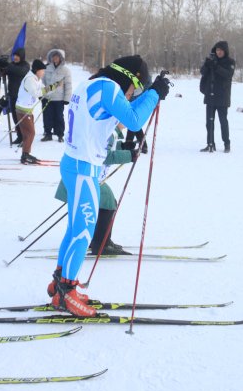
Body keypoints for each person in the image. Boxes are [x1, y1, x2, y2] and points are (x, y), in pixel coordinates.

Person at [47, 55, 169, 316]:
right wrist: (154, 94)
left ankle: (60, 283)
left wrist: (150, 95)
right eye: (135, 88)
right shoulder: (109, 88)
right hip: (83, 170)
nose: (131, 93)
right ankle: (66, 291)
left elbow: (123, 117)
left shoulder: (93, 84)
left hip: (74, 165)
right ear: (130, 78)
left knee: (74, 229)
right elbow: (134, 121)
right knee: (83, 231)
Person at [54, 127, 135, 256]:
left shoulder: (110, 130)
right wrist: (130, 155)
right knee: (108, 203)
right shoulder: (109, 131)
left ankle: (99, 239)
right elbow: (105, 156)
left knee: (108, 202)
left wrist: (123, 146)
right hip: (87, 177)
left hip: (87, 175)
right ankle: (101, 244)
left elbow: (107, 147)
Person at [199, 41, 235, 153]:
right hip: (210, 95)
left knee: (223, 121)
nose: (219, 52)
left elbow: (228, 75)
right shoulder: (211, 60)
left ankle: (226, 144)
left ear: (225, 51)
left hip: (222, 97)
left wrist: (216, 66)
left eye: (221, 50)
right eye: (217, 50)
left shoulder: (230, 62)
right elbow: (203, 72)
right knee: (209, 122)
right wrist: (207, 64)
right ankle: (210, 143)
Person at [16, 59, 47, 164]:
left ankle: (25, 154)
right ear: (37, 70)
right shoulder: (29, 79)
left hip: (28, 109)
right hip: (22, 109)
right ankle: (25, 155)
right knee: (31, 133)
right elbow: (35, 93)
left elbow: (42, 89)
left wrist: (51, 89)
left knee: (27, 133)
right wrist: (49, 89)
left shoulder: (37, 79)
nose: (43, 72)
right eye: (42, 70)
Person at [42, 49, 72, 142]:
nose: (55, 58)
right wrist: (41, 93)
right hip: (47, 97)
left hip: (59, 98)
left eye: (57, 56)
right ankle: (48, 134)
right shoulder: (46, 68)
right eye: (53, 56)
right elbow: (42, 82)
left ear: (61, 58)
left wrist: (67, 98)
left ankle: (60, 135)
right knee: (47, 116)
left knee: (59, 117)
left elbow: (68, 85)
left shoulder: (65, 70)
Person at [6, 48, 29, 145]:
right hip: (12, 95)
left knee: (22, 118)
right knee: (15, 117)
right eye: (14, 55)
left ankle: (25, 137)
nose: (15, 57)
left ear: (21, 56)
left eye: (17, 56)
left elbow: (21, 72)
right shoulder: (12, 65)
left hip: (22, 97)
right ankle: (19, 136)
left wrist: (8, 66)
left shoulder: (25, 65)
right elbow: (4, 72)